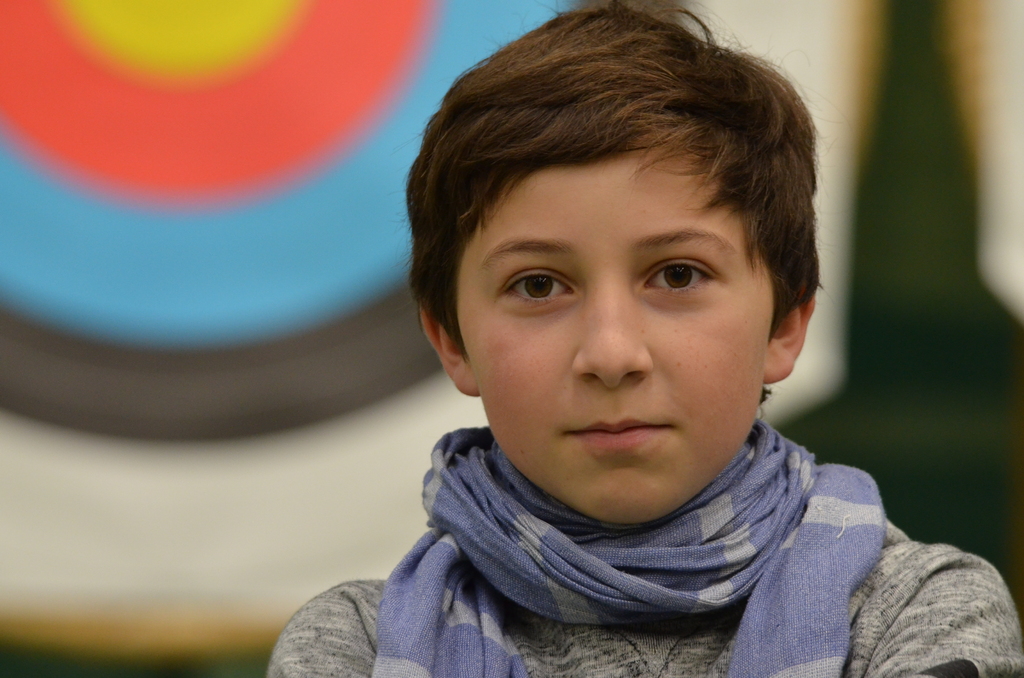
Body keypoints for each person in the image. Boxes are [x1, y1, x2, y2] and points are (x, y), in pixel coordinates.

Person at [268, 2, 1024, 676]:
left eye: (677, 275)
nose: (611, 354)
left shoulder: (914, 615)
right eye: (539, 286)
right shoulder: (357, 646)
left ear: (787, 323)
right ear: (452, 342)